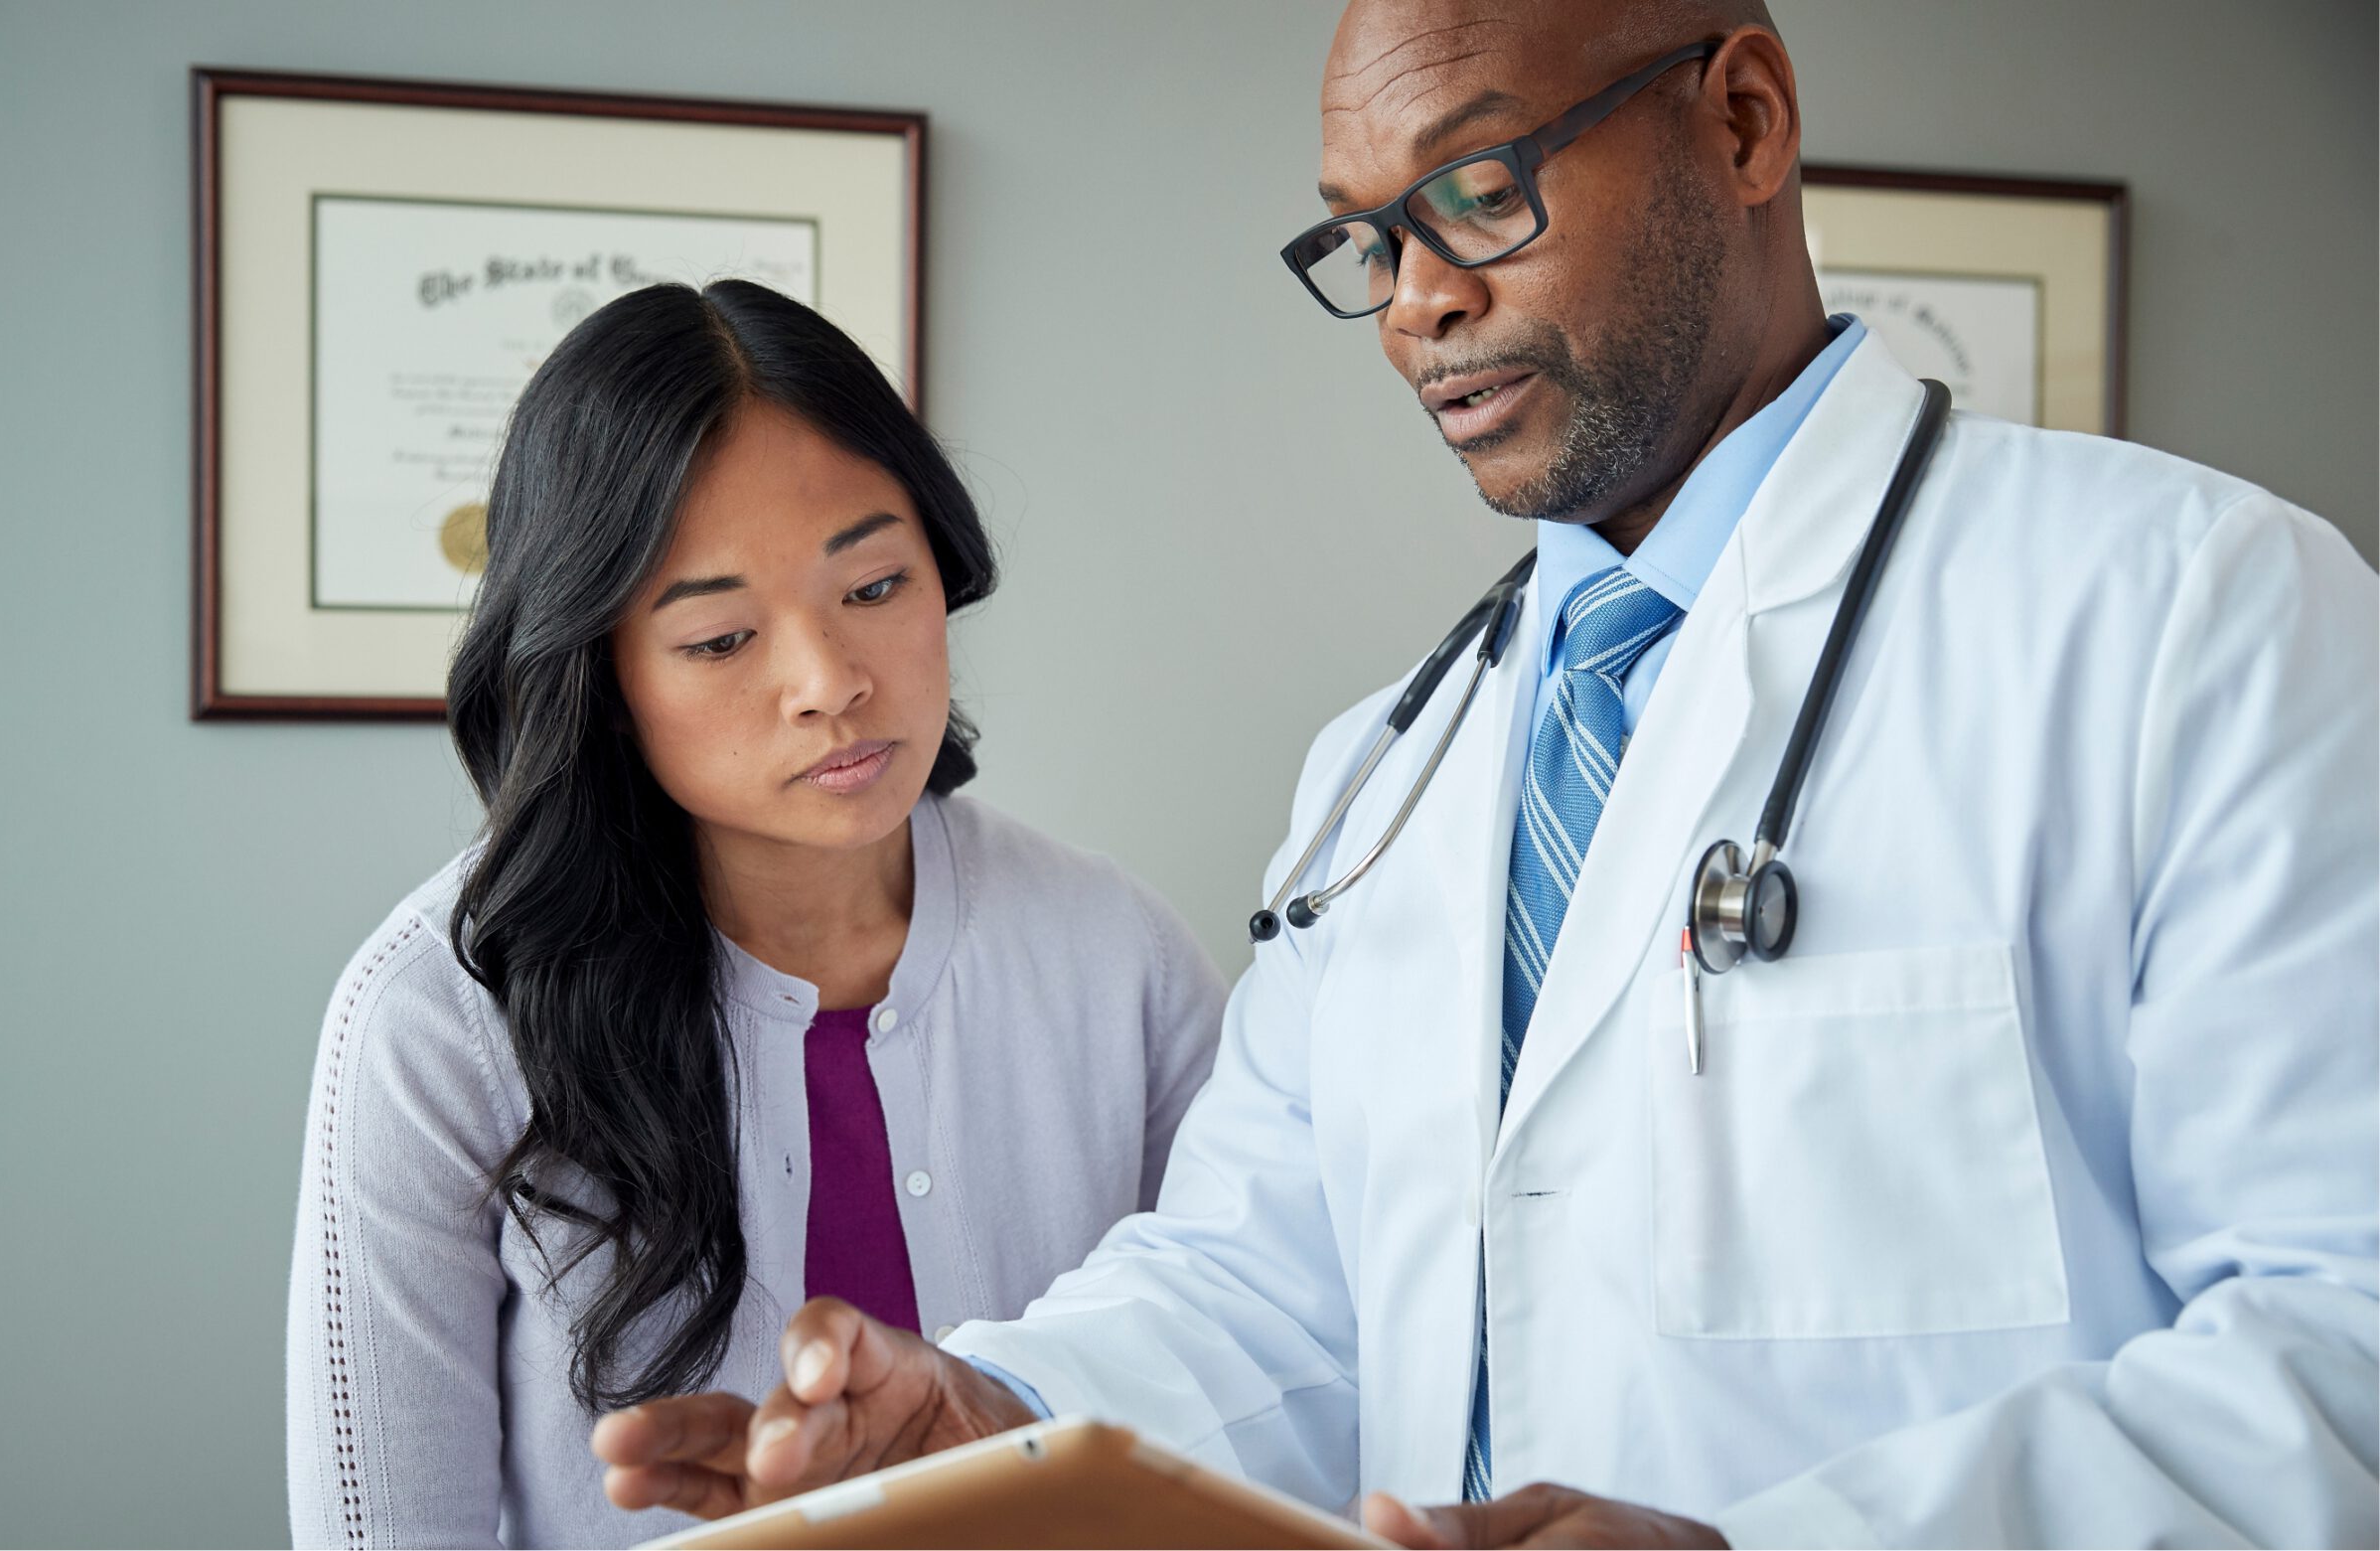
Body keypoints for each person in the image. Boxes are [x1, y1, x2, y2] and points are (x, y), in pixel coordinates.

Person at [591, 3, 2380, 1546]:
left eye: (1478, 189)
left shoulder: (2188, 619)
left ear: (1743, 118)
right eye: (1367, 238)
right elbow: (1266, 1286)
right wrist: (990, 1417)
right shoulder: (1389, 775)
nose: (1417, 304)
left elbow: (2347, 1345)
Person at [284, 280, 1224, 1548]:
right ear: (600, 677)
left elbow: (1239, 1398)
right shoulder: (443, 1019)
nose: (829, 682)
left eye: (877, 586)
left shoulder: (1117, 957)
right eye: (723, 640)